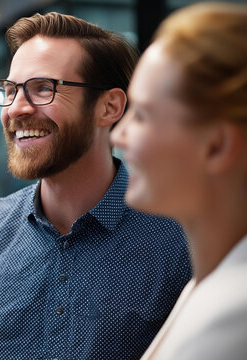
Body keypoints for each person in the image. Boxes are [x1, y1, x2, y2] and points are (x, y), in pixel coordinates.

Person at [0, 12, 192, 360]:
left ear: (109, 107)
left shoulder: (177, 237)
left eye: (43, 88)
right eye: (10, 90)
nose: (16, 109)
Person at [110, 3, 247, 359]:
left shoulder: (235, 315)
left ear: (217, 146)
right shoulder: (212, 283)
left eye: (140, 115)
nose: (118, 135)